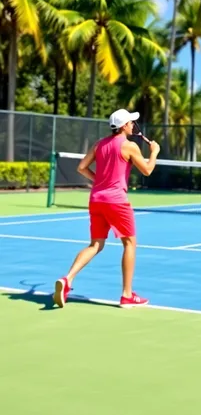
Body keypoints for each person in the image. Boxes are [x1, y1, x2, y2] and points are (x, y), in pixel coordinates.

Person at [53, 109, 160, 309]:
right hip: (116, 201)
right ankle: (127, 295)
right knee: (129, 244)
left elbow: (81, 167)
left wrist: (100, 182)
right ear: (124, 126)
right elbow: (147, 170)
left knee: (95, 245)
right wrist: (154, 152)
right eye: (130, 122)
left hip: (96, 199)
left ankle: (67, 279)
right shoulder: (130, 146)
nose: (132, 125)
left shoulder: (99, 144)